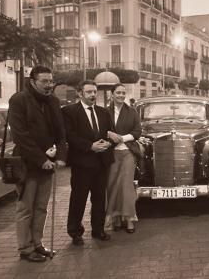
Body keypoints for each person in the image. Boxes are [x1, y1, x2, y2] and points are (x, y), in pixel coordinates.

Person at [8, 65, 67, 262]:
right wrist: (41, 160)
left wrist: (61, 156)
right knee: (26, 208)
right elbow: (20, 135)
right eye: (45, 81)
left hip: (48, 164)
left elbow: (61, 132)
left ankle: (38, 244)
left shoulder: (53, 101)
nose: (49, 85)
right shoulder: (19, 100)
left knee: (41, 207)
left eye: (51, 81)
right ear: (33, 81)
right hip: (27, 165)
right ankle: (25, 249)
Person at [62, 80, 115, 245]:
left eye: (94, 92)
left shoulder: (103, 112)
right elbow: (69, 135)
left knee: (99, 199)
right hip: (82, 164)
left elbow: (110, 133)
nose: (93, 95)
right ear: (80, 93)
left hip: (101, 163)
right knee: (79, 198)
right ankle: (75, 232)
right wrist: (90, 146)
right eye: (89, 92)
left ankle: (98, 230)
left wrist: (108, 143)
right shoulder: (69, 112)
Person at [105, 84, 142, 234]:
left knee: (126, 185)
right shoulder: (105, 112)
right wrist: (109, 134)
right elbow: (100, 129)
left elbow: (137, 131)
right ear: (112, 94)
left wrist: (121, 138)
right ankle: (116, 218)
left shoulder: (132, 112)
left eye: (123, 93)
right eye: (117, 93)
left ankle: (129, 219)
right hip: (110, 153)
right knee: (112, 185)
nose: (120, 95)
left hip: (128, 151)